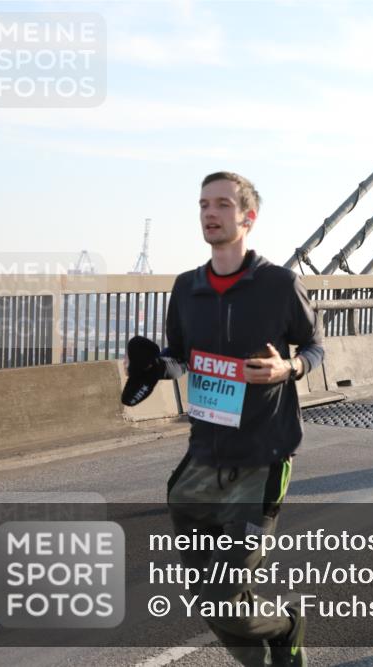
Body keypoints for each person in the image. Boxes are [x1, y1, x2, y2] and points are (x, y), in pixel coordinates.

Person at [123, 171, 323, 667]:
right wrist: (152, 366)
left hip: (262, 459)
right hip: (201, 460)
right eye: (203, 205)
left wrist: (288, 368)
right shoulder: (186, 287)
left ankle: (287, 627)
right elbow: (182, 358)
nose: (210, 214)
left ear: (248, 218)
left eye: (223, 205)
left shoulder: (280, 285)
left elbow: (316, 347)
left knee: (228, 600)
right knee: (210, 605)